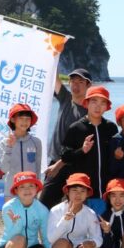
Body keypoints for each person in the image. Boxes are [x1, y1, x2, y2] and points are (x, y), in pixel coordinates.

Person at [60, 86, 118, 214]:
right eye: (94, 102)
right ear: (86, 103)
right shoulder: (76, 128)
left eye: (102, 103)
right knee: (78, 229)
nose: (98, 107)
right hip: (81, 192)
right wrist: (82, 150)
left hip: (104, 191)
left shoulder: (111, 128)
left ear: (107, 106)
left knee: (100, 229)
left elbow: (114, 158)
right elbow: (65, 156)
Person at [41, 68, 91, 209]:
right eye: (73, 81)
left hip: (77, 165)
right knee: (44, 206)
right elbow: (53, 78)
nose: (76, 85)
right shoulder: (65, 98)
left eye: (80, 82)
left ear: (88, 85)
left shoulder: (91, 112)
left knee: (75, 208)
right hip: (55, 161)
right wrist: (54, 54)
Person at [48, 173, 103, 248]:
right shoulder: (56, 210)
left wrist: (92, 243)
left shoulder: (90, 213)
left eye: (83, 191)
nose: (78, 194)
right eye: (74, 190)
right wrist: (65, 220)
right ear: (67, 192)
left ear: (87, 194)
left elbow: (98, 238)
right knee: (62, 243)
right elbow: (51, 238)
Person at [0, 103, 43, 201]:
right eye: (21, 118)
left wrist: (38, 189)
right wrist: (9, 147)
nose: (25, 122)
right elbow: (4, 169)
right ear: (13, 119)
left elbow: (38, 168)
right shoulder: (5, 142)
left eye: (28, 119)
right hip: (11, 191)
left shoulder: (36, 142)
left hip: (31, 192)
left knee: (30, 216)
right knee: (11, 216)